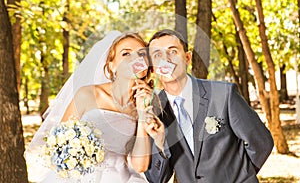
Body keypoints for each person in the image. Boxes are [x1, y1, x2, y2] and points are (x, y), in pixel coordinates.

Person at [25, 31, 164, 183]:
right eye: (126, 54)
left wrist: (142, 113)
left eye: (141, 54)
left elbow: (140, 166)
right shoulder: (88, 94)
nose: (135, 58)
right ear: (112, 66)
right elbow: (57, 142)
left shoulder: (147, 103)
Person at [144, 29, 274, 183]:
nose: (166, 59)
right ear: (152, 68)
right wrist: (160, 142)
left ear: (187, 58)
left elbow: (262, 142)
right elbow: (156, 178)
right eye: (157, 55)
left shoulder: (223, 94)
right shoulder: (155, 111)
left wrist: (241, 175)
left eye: (173, 51)